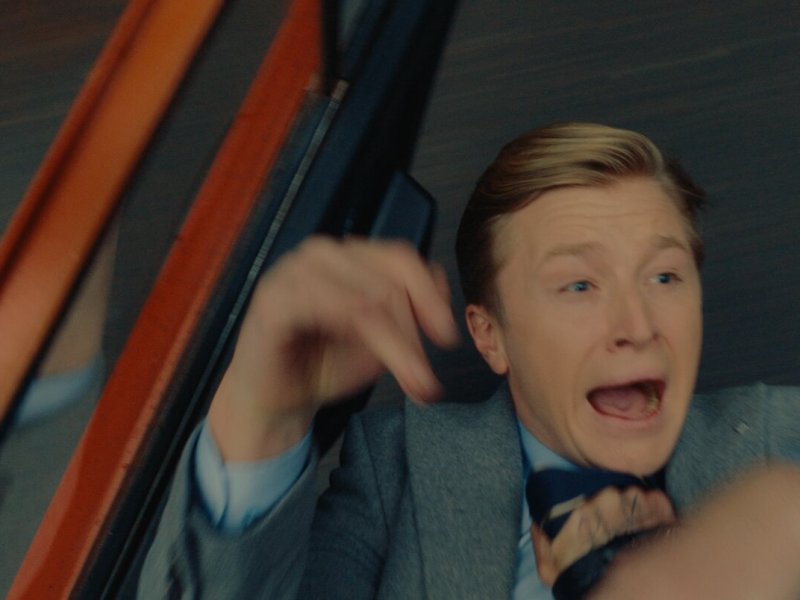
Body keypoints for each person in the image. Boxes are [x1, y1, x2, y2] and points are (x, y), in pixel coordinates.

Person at [138, 123, 800, 599]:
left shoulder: (782, 448)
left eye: (664, 277)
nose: (638, 326)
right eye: (578, 285)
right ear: (491, 337)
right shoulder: (396, 469)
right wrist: (261, 420)